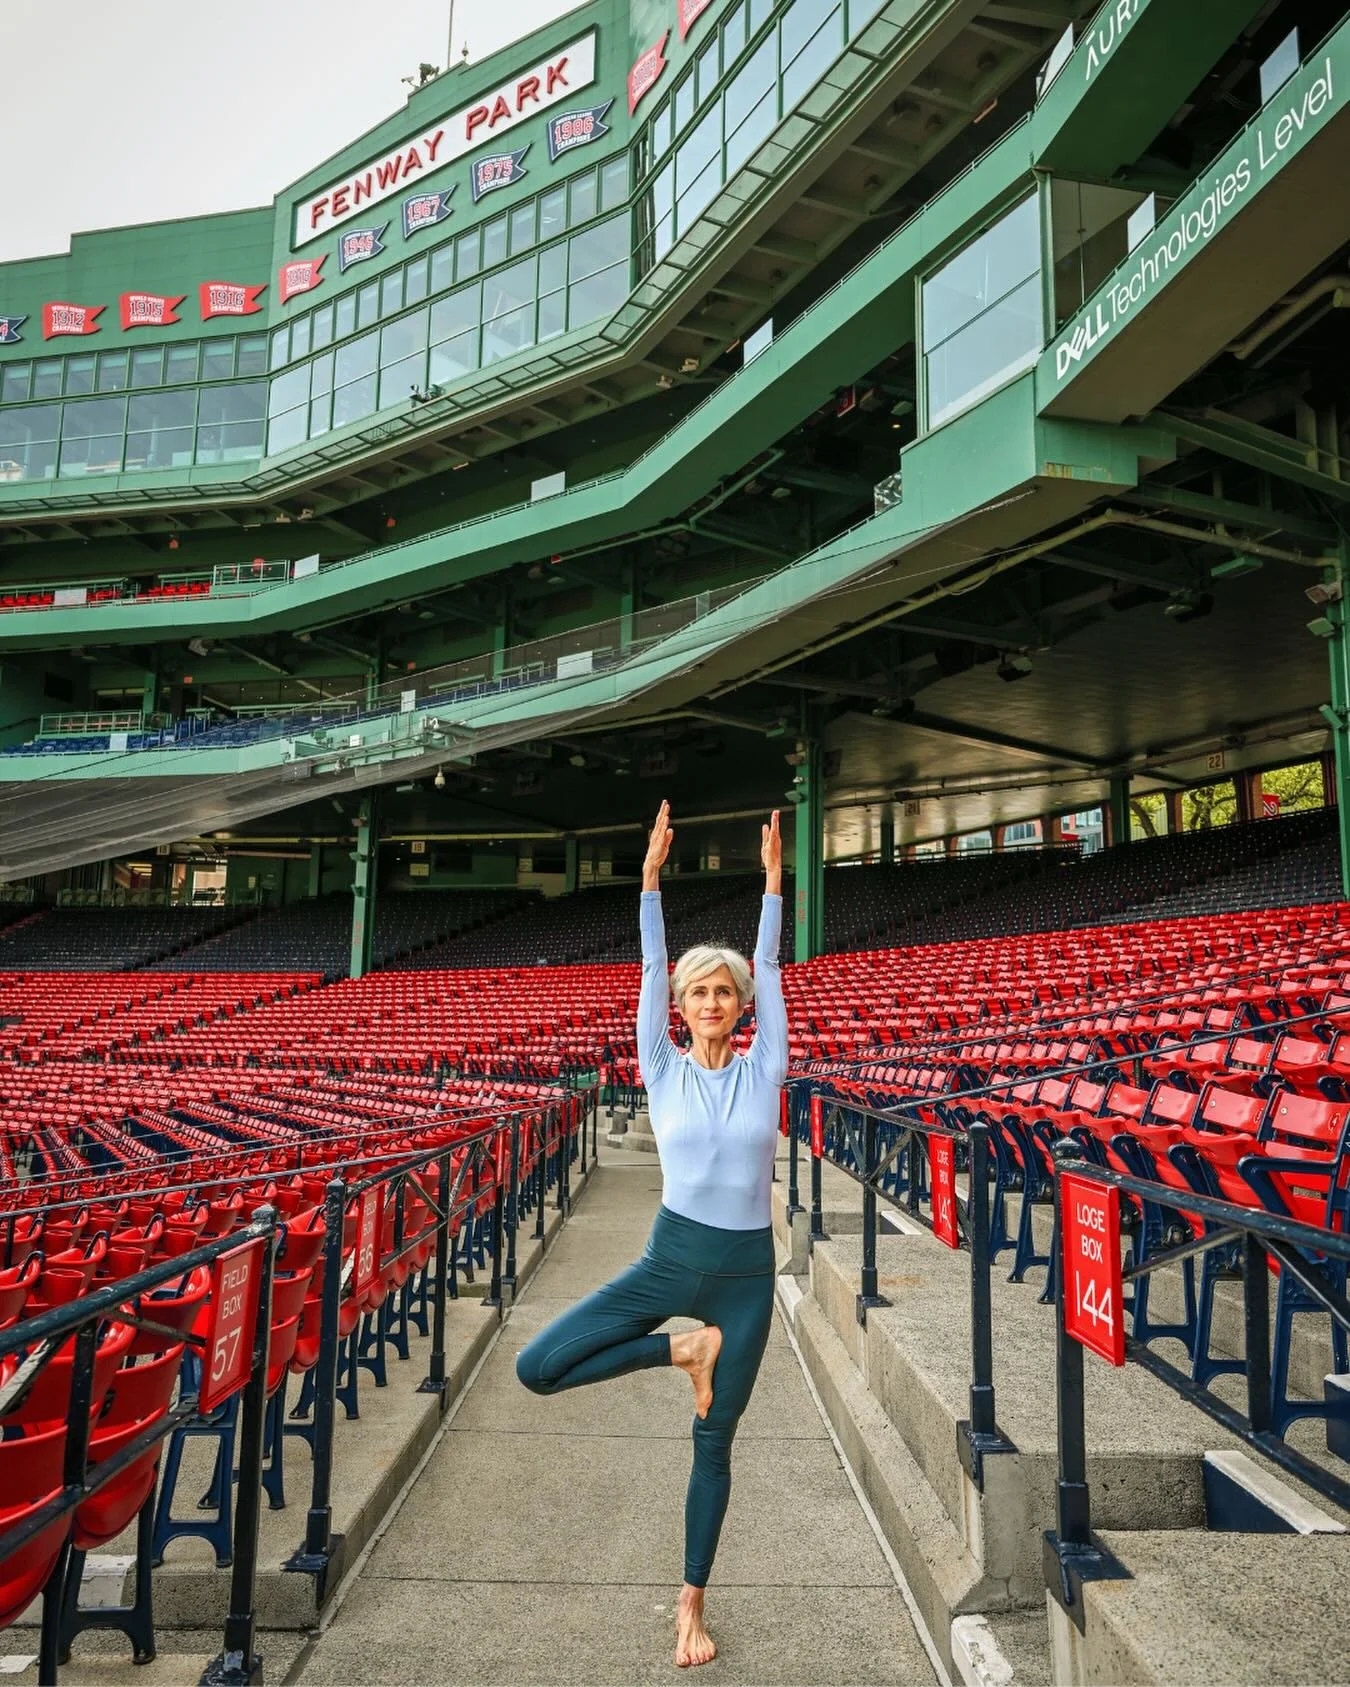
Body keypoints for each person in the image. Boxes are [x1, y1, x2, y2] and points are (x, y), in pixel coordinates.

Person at [516, 801, 787, 1668]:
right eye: (696, 991)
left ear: (740, 1005)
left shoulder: (766, 1065)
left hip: (744, 1280)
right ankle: (681, 1352)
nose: (709, 1000)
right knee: (537, 1366)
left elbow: (771, 961)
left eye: (723, 991)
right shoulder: (661, 1065)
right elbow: (647, 963)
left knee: (714, 1444)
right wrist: (648, 879)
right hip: (669, 1263)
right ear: (680, 1005)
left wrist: (774, 882)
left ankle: (691, 1602)